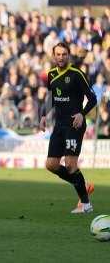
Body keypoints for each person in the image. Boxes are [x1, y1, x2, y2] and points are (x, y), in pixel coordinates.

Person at [39, 42, 97, 214]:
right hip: (59, 124)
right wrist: (43, 115)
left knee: (71, 164)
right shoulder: (51, 75)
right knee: (51, 165)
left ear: (68, 55)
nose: (61, 57)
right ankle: (82, 185)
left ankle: (86, 205)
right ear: (54, 55)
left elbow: (92, 98)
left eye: (64, 54)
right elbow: (51, 98)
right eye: (58, 54)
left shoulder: (77, 74)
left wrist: (82, 113)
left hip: (74, 124)